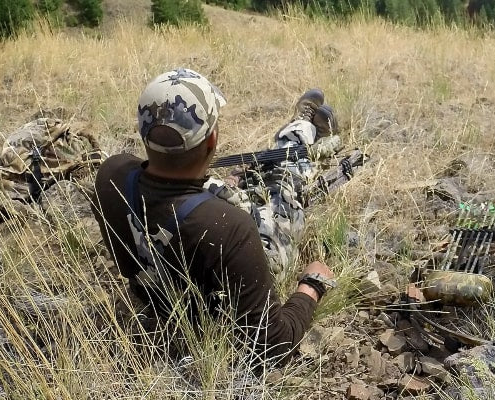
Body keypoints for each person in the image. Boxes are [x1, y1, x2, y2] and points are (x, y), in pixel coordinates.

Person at [91, 68, 338, 359]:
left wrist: (206, 184)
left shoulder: (111, 175)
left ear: (144, 133)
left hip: (156, 292)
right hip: (229, 280)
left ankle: (302, 127)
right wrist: (311, 286)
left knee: (252, 179)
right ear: (212, 141)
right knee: (286, 186)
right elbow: (274, 343)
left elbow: (155, 178)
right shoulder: (230, 226)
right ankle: (303, 130)